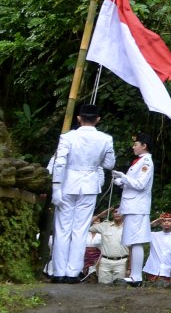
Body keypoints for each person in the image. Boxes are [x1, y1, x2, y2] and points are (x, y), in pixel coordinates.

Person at [46, 103, 116, 282]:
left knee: (62, 228)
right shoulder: (105, 139)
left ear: (79, 118)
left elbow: (60, 163)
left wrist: (56, 188)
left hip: (68, 183)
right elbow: (109, 164)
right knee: (80, 229)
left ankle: (59, 271)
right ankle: (72, 272)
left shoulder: (67, 137)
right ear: (98, 120)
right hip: (89, 184)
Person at [113, 132, 154, 286]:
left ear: (144, 146)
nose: (133, 146)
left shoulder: (146, 162)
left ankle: (136, 276)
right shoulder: (139, 161)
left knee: (136, 241)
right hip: (133, 206)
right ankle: (135, 275)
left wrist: (123, 177)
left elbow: (140, 184)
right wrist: (121, 182)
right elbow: (133, 184)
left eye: (136, 144)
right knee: (133, 241)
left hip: (137, 206)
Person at [143, 213, 171, 284]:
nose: (166, 222)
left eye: (169, 221)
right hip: (153, 271)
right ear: (160, 223)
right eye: (164, 221)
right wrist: (153, 223)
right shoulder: (153, 235)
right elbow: (140, 231)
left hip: (168, 273)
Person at [88, 210, 127, 284]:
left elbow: (132, 249)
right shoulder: (104, 225)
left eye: (120, 211)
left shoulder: (129, 227)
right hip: (105, 262)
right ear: (112, 213)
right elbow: (84, 226)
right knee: (103, 287)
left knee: (119, 288)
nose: (117, 213)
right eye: (115, 211)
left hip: (122, 262)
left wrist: (129, 268)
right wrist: (99, 215)